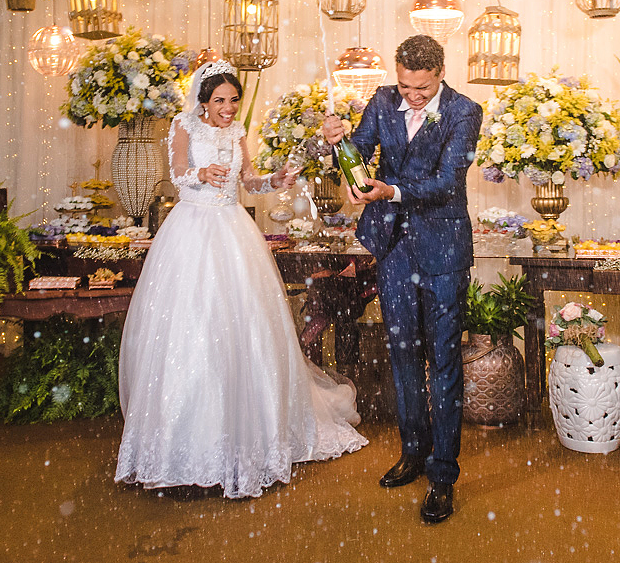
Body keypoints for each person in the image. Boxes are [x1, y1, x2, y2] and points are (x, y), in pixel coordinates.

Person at [116, 60, 367, 497]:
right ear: (203, 101)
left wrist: (275, 178)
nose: (228, 109)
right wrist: (199, 173)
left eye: (233, 100)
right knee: (191, 327)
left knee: (245, 326)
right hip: (192, 230)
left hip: (233, 230)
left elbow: (248, 181)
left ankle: (249, 433)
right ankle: (182, 442)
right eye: (220, 102)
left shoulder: (236, 133)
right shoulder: (182, 126)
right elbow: (175, 175)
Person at [322, 35, 482, 524]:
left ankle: (442, 475)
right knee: (403, 353)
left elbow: (446, 181)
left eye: (421, 88)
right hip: (392, 249)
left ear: (439, 75)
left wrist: (389, 189)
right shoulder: (382, 100)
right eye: (404, 85)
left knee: (445, 361)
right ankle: (413, 452)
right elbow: (358, 155)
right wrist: (337, 145)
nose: (410, 95)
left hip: (442, 251)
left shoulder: (463, 111)